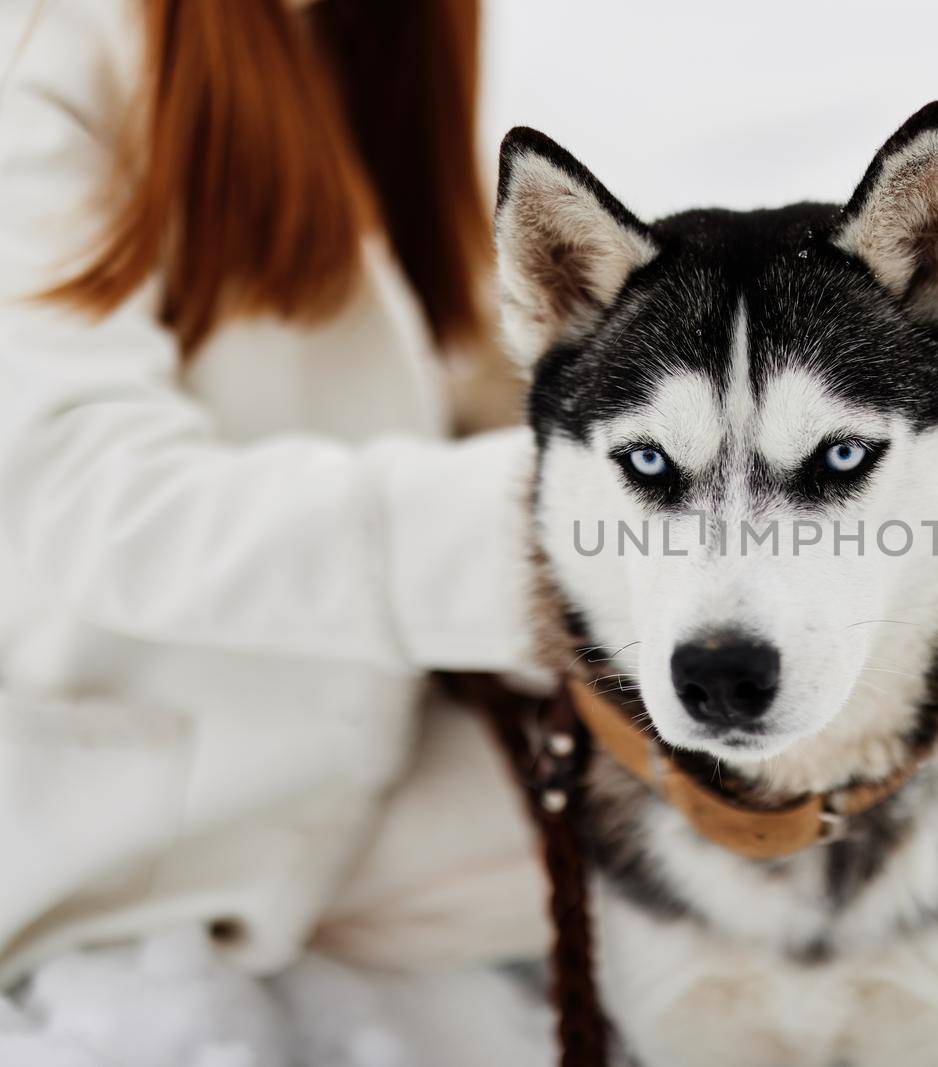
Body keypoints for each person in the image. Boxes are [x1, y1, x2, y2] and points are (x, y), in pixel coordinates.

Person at [0, 0, 551, 986]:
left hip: (350, 743)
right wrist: (553, 529)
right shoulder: (42, 50)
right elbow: (86, 500)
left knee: (856, 787)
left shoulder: (366, 29)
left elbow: (443, 361)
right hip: (146, 817)